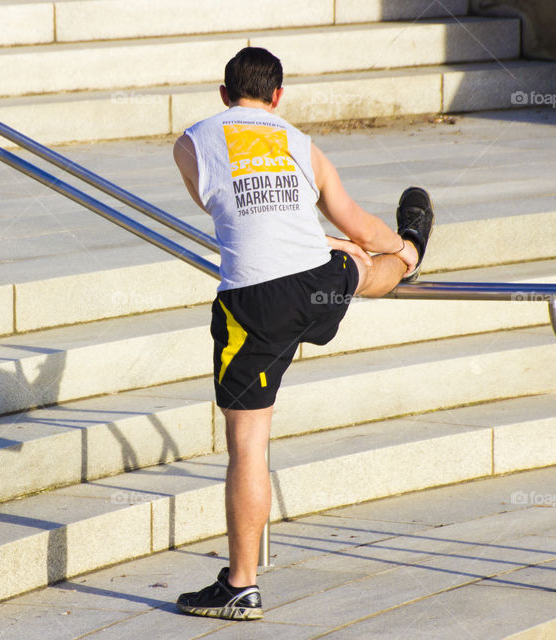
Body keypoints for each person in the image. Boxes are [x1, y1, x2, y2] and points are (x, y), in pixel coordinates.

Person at [172, 46, 434, 620]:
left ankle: (241, 584)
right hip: (318, 281)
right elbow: (358, 224)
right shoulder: (300, 143)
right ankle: (413, 247)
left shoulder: (191, 140)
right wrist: (375, 243)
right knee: (360, 262)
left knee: (248, 445)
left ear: (223, 95)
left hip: (255, 302)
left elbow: (220, 208)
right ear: (278, 97)